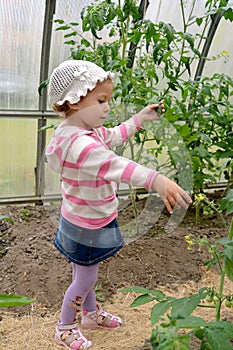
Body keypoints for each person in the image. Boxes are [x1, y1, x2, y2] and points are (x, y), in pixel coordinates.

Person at [45, 59, 192, 349]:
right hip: (86, 224)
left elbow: (113, 136)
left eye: (108, 100)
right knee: (85, 277)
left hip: (80, 218)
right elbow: (115, 164)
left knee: (84, 270)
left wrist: (139, 118)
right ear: (74, 101)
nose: (107, 107)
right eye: (101, 100)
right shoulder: (80, 145)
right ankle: (65, 327)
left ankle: (89, 314)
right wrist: (156, 180)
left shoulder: (84, 131)